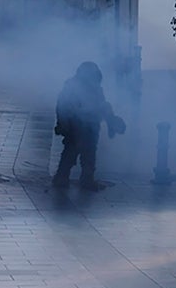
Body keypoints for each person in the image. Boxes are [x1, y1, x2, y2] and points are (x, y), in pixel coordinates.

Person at [53, 61, 125, 191]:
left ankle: (85, 180)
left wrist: (111, 120)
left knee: (88, 154)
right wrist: (63, 123)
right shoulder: (72, 87)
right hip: (76, 125)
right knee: (71, 152)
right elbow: (63, 106)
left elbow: (102, 105)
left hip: (91, 125)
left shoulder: (95, 88)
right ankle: (62, 178)